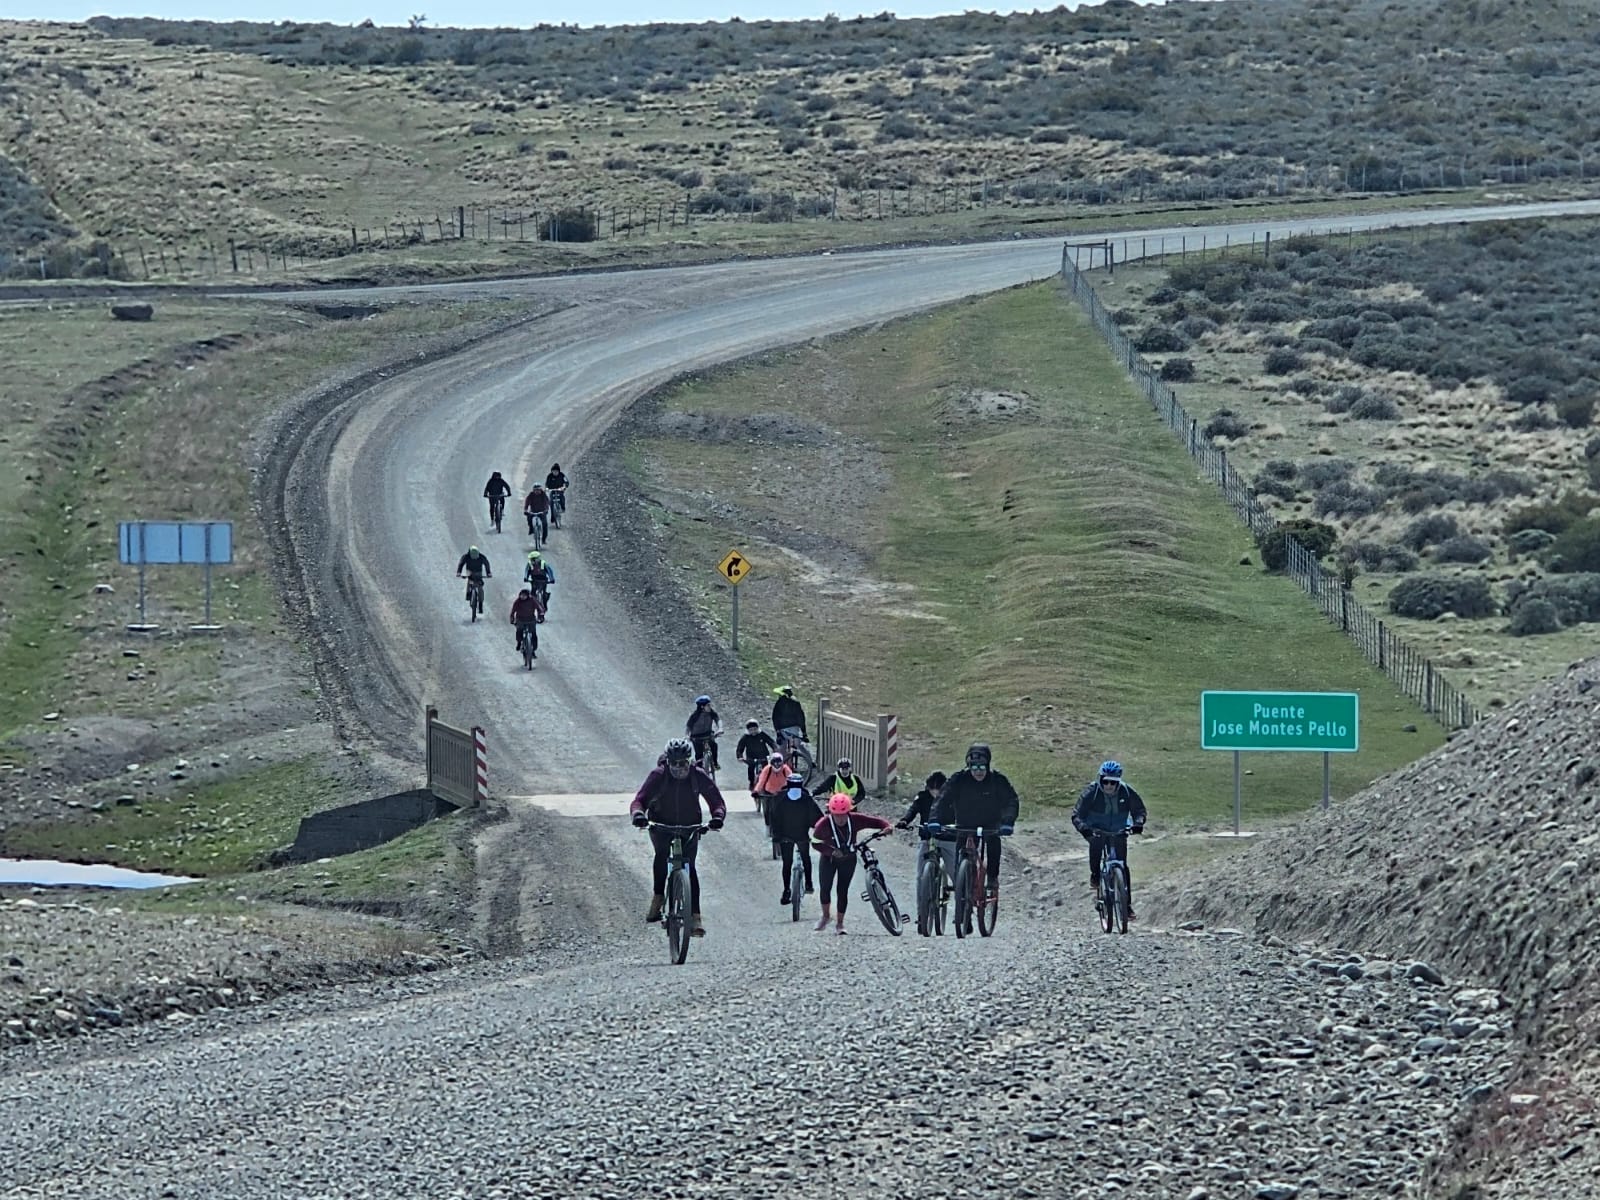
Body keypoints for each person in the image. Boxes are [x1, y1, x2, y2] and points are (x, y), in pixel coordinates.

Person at [630, 737, 727, 936]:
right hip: (661, 825)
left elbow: (716, 801)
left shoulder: (697, 775)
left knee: (689, 867)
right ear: (667, 761)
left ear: (690, 761)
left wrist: (717, 817)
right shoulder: (658, 775)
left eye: (682, 764)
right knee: (661, 856)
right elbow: (639, 800)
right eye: (673, 764)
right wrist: (638, 815)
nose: (678, 768)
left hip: (690, 826)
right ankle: (658, 898)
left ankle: (696, 917)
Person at [927, 744, 1018, 898]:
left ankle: (992, 877)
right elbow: (942, 798)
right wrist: (934, 819)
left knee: (993, 842)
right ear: (968, 766)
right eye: (974, 767)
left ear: (988, 765)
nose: (978, 771)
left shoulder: (997, 780)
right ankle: (962, 890)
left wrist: (1007, 822)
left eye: (982, 767)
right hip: (965, 823)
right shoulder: (959, 779)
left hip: (991, 824)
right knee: (961, 857)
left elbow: (1011, 800)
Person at [1073, 760, 1148, 920]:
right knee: (1096, 845)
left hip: (1119, 830)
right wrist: (1084, 828)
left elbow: (1139, 810)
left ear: (1118, 782)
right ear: (1100, 779)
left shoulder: (1126, 792)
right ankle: (1095, 875)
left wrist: (1138, 824)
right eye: (1105, 781)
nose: (1108, 786)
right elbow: (1077, 814)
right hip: (1097, 829)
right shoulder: (1091, 792)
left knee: (1123, 865)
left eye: (1113, 783)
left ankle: (1126, 906)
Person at [810, 794, 893, 935]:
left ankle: (840, 923)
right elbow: (815, 843)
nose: (840, 819)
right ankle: (825, 916)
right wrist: (830, 852)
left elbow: (876, 822)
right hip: (828, 859)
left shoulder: (855, 819)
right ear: (831, 813)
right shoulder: (823, 824)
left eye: (843, 815)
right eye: (836, 815)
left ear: (848, 812)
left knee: (842, 890)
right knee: (825, 888)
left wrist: (887, 826)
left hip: (848, 859)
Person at [769, 771, 821, 905]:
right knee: (806, 858)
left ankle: (786, 890)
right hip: (802, 835)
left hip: (785, 837)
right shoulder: (806, 798)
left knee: (787, 864)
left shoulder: (780, 798)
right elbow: (816, 817)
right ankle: (809, 883)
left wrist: (776, 836)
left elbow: (774, 818)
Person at [735, 720, 777, 789]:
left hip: (763, 756)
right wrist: (740, 756)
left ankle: (767, 782)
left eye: (755, 729)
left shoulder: (761, 734)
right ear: (748, 730)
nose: (753, 731)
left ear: (758, 728)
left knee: (766, 769)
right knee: (751, 768)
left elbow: (771, 742)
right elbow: (740, 747)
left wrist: (775, 750)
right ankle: (751, 782)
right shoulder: (745, 737)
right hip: (751, 757)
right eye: (751, 730)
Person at [685, 695, 721, 772]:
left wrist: (720, 728)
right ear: (702, 706)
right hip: (696, 737)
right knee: (699, 755)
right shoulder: (695, 715)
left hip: (708, 735)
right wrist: (687, 736)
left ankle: (715, 763)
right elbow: (688, 726)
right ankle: (699, 771)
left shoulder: (711, 712)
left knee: (714, 746)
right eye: (708, 705)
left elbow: (718, 720)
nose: (710, 707)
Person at [509, 587, 543, 656]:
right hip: (520, 620)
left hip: (531, 620)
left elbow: (539, 608)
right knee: (519, 631)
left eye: (524, 595)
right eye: (521, 595)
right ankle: (519, 642)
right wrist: (512, 619)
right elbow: (513, 611)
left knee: (533, 634)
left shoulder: (532, 600)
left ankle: (533, 650)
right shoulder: (517, 602)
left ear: (528, 596)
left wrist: (541, 615)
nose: (523, 597)